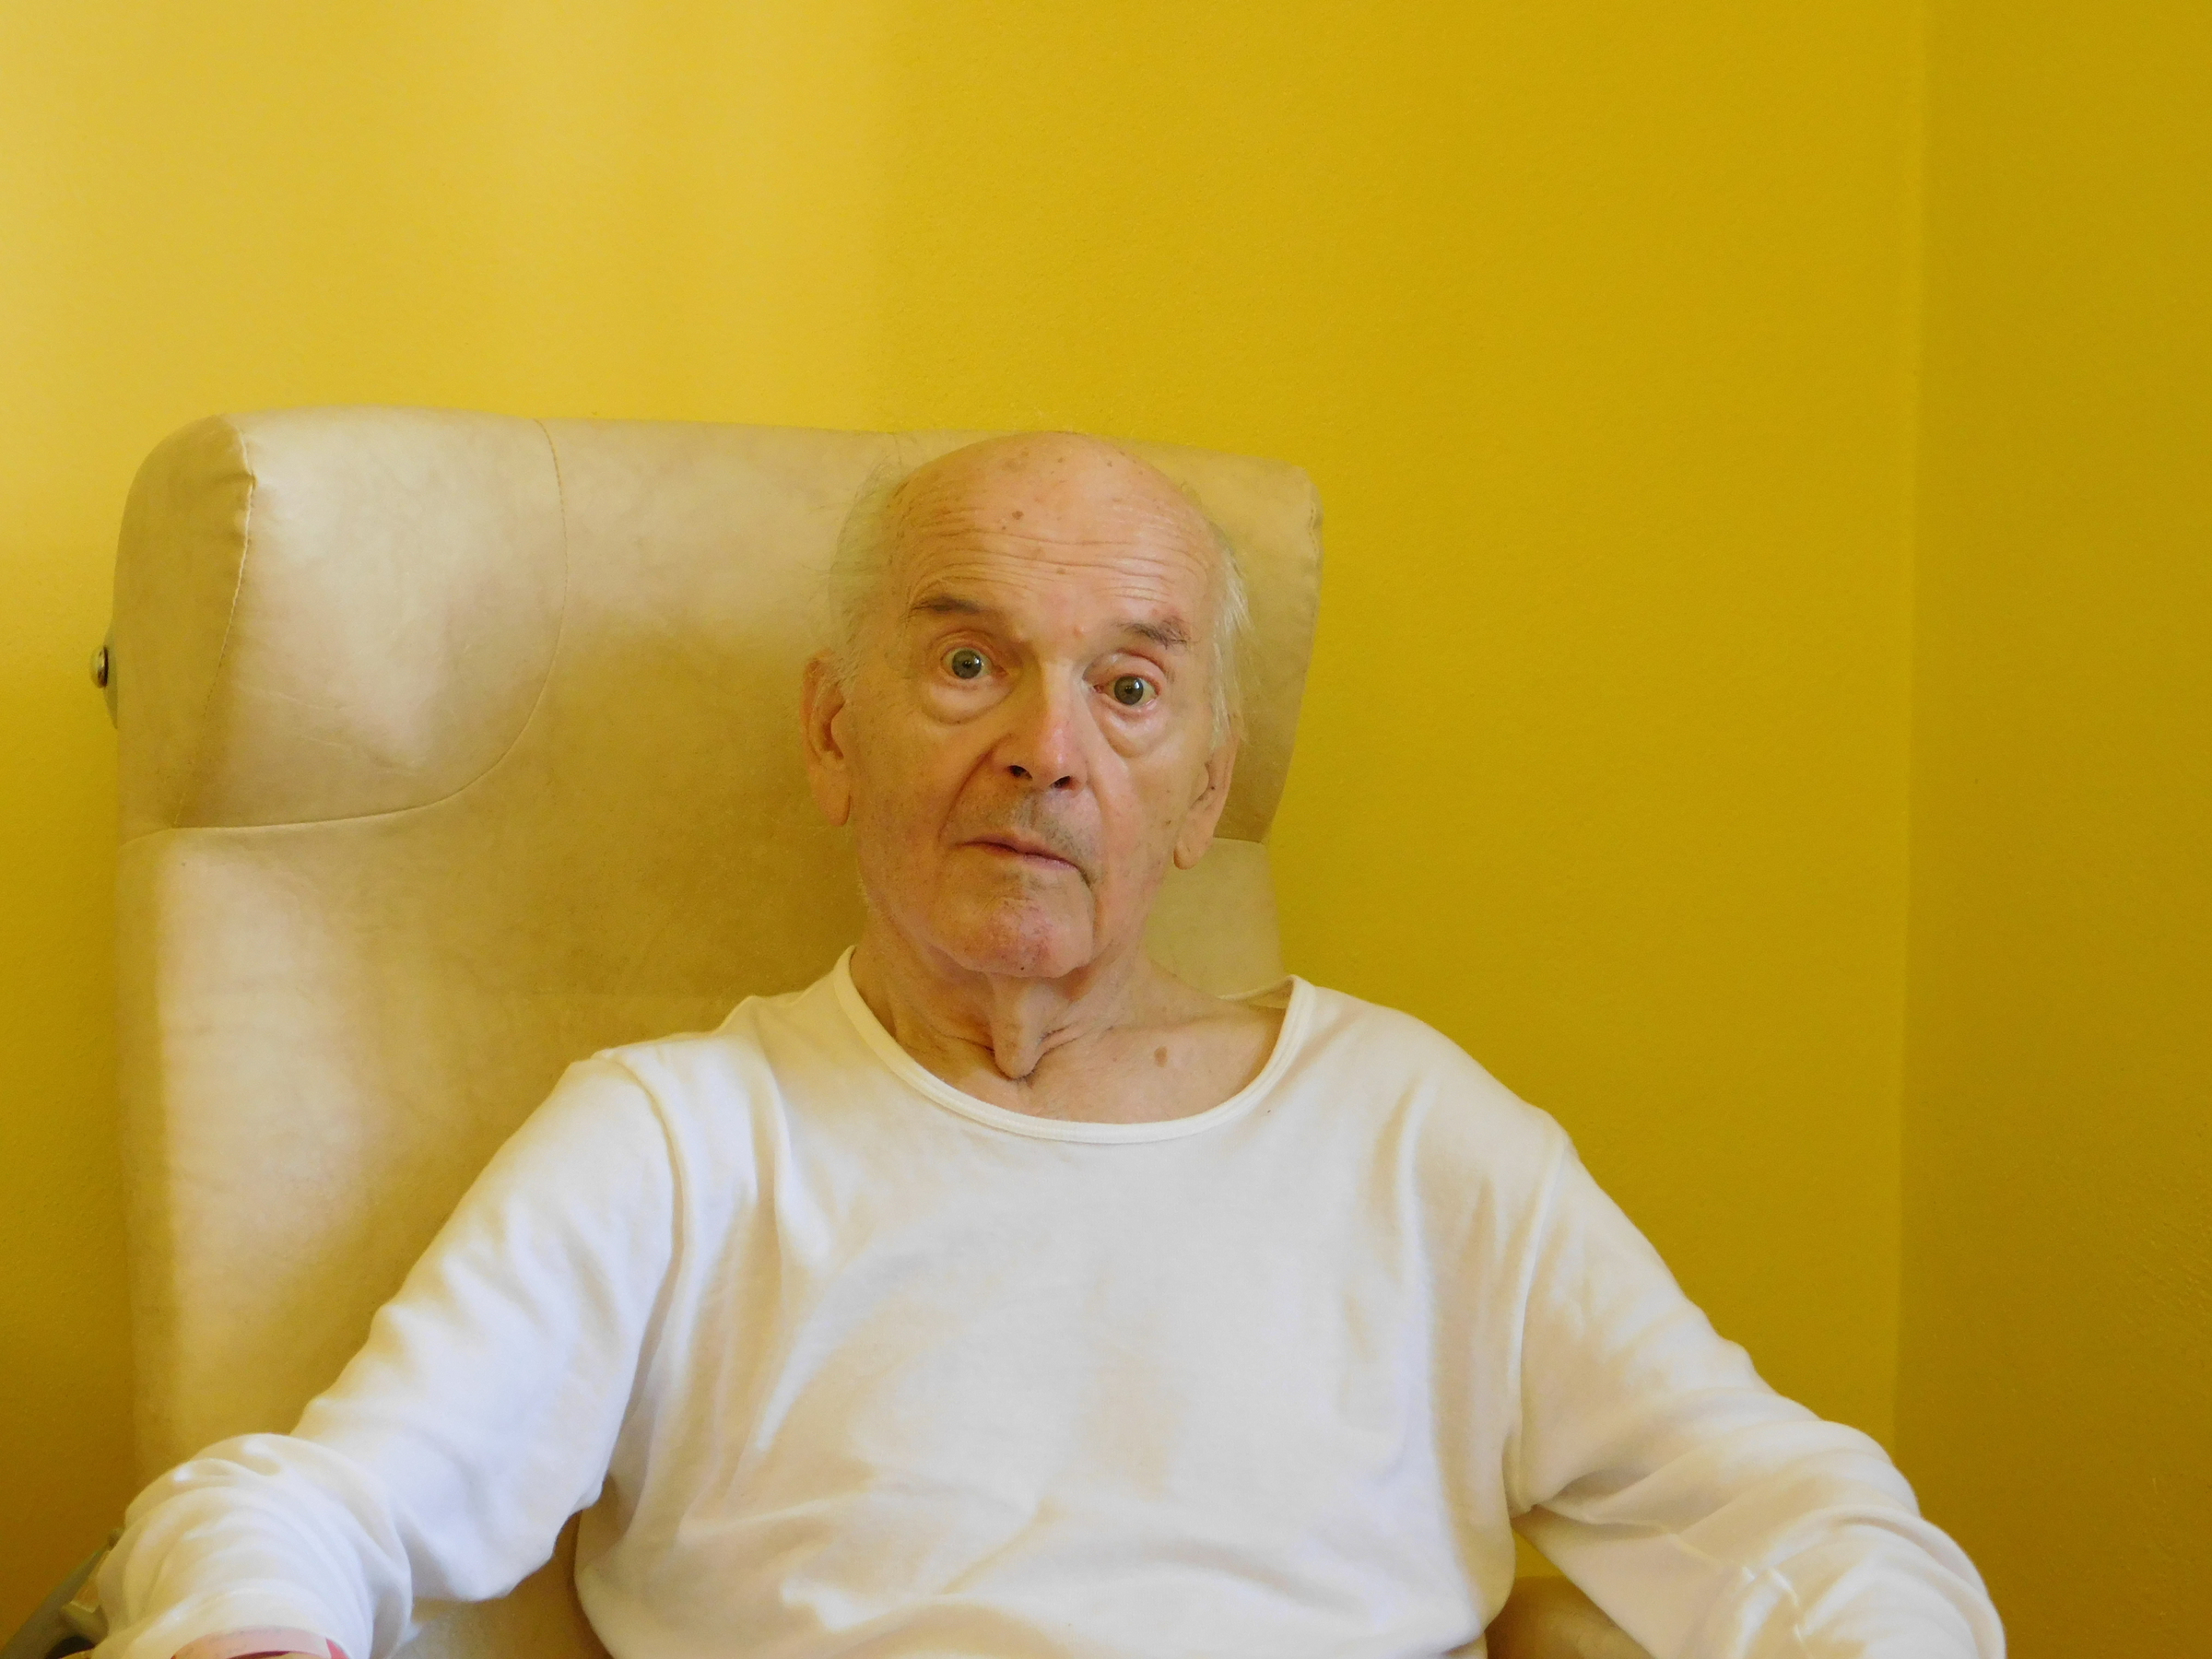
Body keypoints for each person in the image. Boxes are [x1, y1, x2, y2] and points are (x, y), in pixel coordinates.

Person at [96, 434, 2002, 1659]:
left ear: (1205, 794)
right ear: (835, 737)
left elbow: (1800, 1519)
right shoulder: (678, 1144)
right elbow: (306, 1505)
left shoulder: (1417, 1136)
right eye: (968, 663)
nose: (1047, 751)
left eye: (1132, 686)